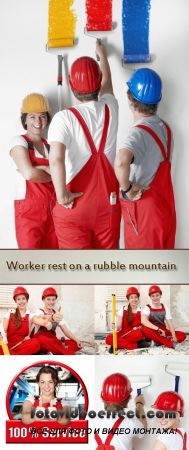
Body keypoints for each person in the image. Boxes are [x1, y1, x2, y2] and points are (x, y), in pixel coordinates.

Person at [48, 41, 121, 249]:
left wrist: (62, 195)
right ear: (98, 84)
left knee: (77, 274)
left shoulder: (63, 119)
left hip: (74, 206)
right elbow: (108, 82)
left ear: (71, 85)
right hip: (109, 205)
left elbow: (56, 159)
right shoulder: (111, 108)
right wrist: (102, 55)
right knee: (106, 270)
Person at [114, 68, 176, 249]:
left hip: (144, 214)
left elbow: (121, 161)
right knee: (161, 268)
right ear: (158, 100)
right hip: (164, 209)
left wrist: (127, 188)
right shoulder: (165, 128)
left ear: (130, 101)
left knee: (142, 271)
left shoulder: (137, 134)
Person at [9, 93, 58, 249]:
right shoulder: (19, 141)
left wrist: (42, 169)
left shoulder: (51, 145)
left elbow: (65, 177)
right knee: (29, 261)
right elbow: (29, 174)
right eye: (32, 116)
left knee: (53, 261)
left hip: (53, 209)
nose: (38, 121)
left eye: (42, 116)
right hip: (28, 212)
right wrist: (51, 173)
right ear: (24, 120)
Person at [94, 372, 147, 449]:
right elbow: (143, 427)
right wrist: (139, 404)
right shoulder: (130, 423)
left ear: (102, 396)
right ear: (128, 398)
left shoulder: (93, 421)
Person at [0, 286, 51, 355]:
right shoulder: (9, 313)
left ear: (27, 299)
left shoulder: (30, 315)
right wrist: (1, 335)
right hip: (8, 345)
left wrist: (44, 323)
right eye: (18, 299)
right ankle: (15, 355)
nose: (21, 301)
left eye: (23, 298)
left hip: (23, 345)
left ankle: (11, 355)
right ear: (16, 301)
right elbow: (3, 331)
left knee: (35, 343)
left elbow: (37, 320)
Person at [33, 287, 83, 355]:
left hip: (53, 341)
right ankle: (69, 353)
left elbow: (66, 331)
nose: (51, 302)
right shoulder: (39, 311)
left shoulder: (57, 313)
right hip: (42, 342)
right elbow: (41, 317)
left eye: (53, 299)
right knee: (41, 339)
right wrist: (52, 317)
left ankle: (53, 351)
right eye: (48, 299)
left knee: (76, 344)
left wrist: (77, 341)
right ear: (43, 300)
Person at [105, 287, 151, 352]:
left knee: (139, 334)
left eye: (135, 297)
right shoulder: (123, 309)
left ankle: (116, 345)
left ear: (138, 298)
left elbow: (145, 325)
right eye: (131, 297)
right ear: (128, 299)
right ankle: (136, 345)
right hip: (123, 333)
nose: (134, 299)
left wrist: (141, 327)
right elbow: (118, 327)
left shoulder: (142, 311)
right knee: (108, 339)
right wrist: (114, 326)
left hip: (134, 334)